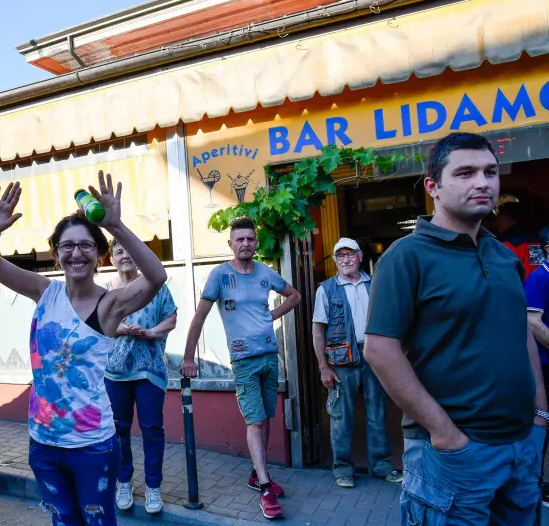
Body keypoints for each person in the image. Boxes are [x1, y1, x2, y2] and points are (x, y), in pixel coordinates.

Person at [363, 132, 548, 525]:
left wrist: (540, 416)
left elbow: (522, 334)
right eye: (465, 173)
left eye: (490, 172)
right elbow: (380, 350)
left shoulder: (502, 256)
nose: (482, 182)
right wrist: (445, 433)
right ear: (433, 186)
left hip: (521, 445)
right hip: (453, 454)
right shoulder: (406, 257)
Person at [0, 171, 167, 526]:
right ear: (56, 253)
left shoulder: (110, 306)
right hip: (43, 443)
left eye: (86, 246)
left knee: (97, 523)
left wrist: (117, 226)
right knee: (63, 522)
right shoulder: (43, 292)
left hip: (92, 445)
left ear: (99, 254)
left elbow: (156, 277)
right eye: (67, 245)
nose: (76, 253)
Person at [180, 216, 301, 521]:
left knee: (266, 418)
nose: (245, 243)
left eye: (250, 238)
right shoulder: (220, 276)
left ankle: (256, 474)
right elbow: (199, 318)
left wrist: (269, 316)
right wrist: (189, 357)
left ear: (256, 243)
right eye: (240, 239)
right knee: (256, 422)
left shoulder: (264, 273)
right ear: (231, 244)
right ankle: (264, 488)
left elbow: (295, 296)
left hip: (269, 356)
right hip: (244, 361)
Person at [312, 237, 401, 489]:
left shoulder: (375, 284)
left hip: (375, 356)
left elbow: (392, 319)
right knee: (341, 417)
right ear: (335, 261)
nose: (345, 260)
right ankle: (342, 469)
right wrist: (323, 367)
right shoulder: (326, 289)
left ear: (360, 256)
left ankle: (381, 467)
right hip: (342, 361)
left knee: (378, 414)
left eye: (349, 254)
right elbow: (318, 330)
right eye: (340, 256)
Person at [105, 238, 177, 514]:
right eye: (118, 252)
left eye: (128, 251)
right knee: (118, 429)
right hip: (115, 373)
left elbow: (171, 318)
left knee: (152, 430)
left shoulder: (155, 285)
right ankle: (123, 482)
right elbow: (97, 325)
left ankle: (153, 487)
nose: (125, 256)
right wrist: (120, 329)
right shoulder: (105, 292)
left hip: (150, 371)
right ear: (111, 258)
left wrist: (152, 333)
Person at [523, 225, 549, 496]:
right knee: (542, 423)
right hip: (544, 365)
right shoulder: (538, 279)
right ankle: (536, 484)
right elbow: (533, 323)